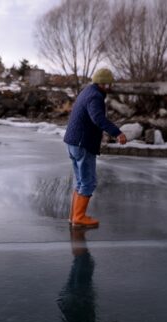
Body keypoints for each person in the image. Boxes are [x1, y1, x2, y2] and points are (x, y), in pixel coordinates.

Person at [63, 68, 127, 228]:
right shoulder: (95, 96)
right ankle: (79, 217)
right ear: (104, 84)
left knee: (80, 182)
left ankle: (74, 216)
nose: (111, 85)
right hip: (82, 143)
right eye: (110, 83)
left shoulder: (87, 91)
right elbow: (97, 117)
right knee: (88, 182)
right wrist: (117, 132)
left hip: (72, 142)